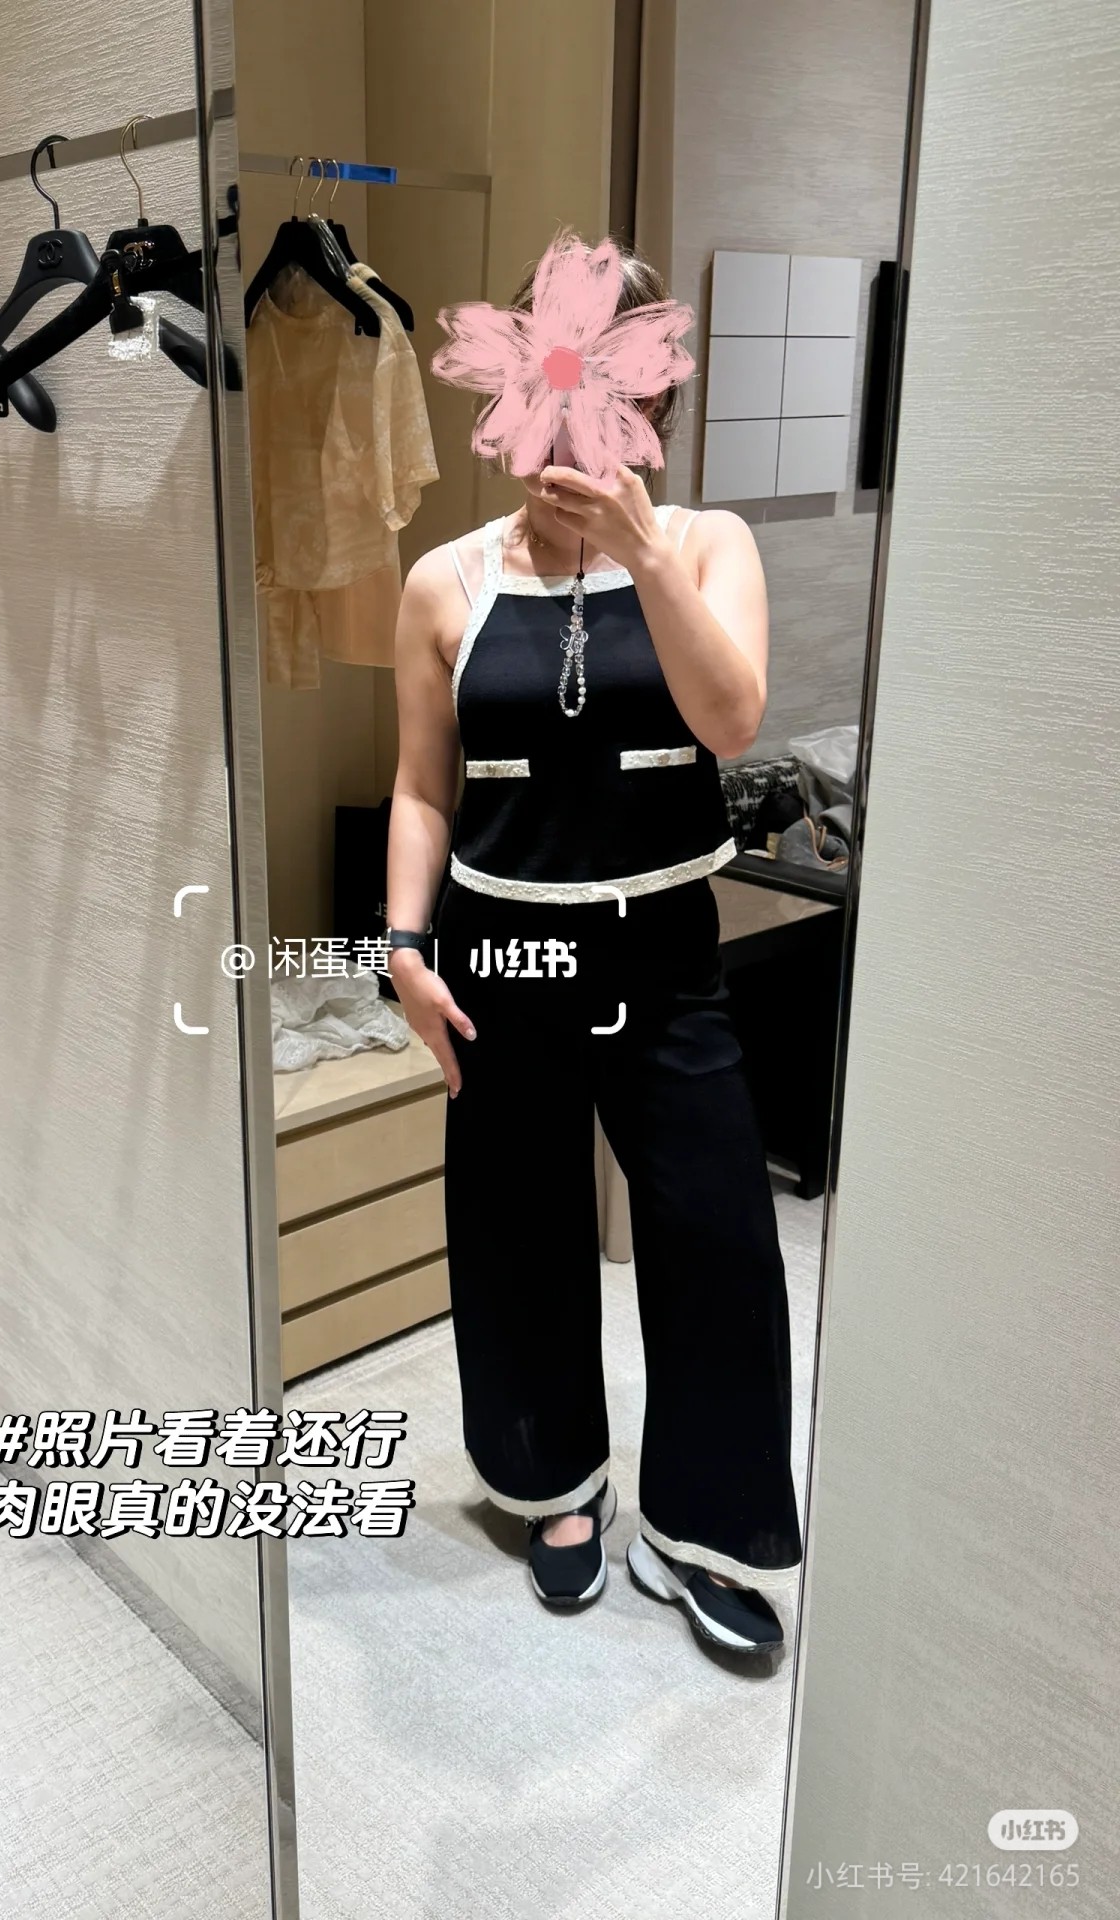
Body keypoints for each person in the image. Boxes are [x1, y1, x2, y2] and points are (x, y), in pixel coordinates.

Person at [383, 243, 803, 1657]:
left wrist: (639, 553)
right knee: (517, 1230)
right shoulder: (444, 581)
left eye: (610, 403)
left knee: (717, 1238)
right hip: (502, 956)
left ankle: (703, 1531)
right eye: (543, 398)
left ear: (653, 410)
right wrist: (403, 947)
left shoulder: (706, 545)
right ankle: (554, 1486)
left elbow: (732, 719)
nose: (568, 437)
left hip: (666, 954)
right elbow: (421, 787)